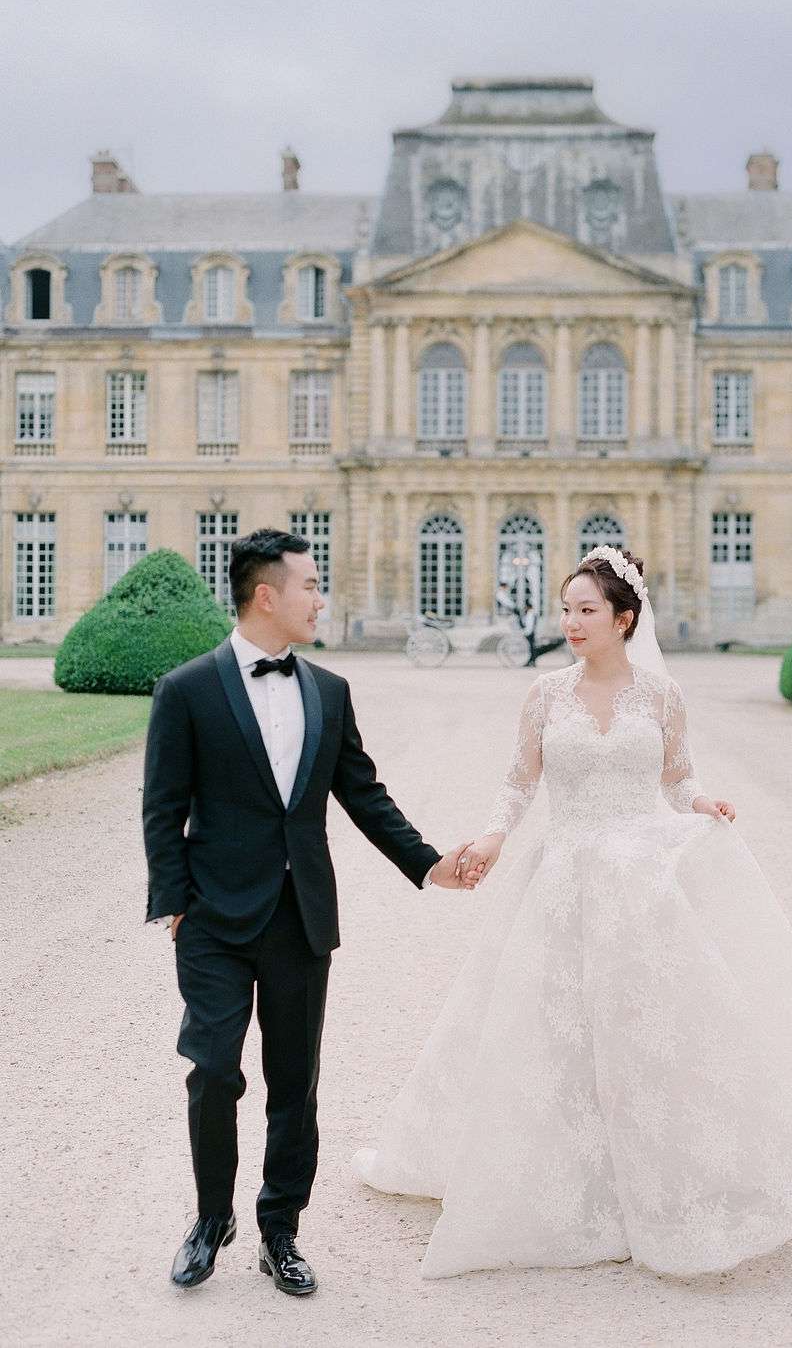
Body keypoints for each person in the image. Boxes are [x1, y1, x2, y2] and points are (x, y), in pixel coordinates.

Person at [352, 546, 792, 1279]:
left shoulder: (662, 697)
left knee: (651, 1031)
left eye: (586, 611)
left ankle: (668, 1179)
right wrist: (493, 835)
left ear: (624, 619)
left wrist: (702, 802)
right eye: (566, 609)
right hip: (565, 879)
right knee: (556, 1031)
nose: (571, 622)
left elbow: (677, 777)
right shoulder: (545, 694)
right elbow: (519, 783)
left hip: (640, 885)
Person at [143, 528, 479, 1296]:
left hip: (300, 917)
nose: (320, 597)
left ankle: (279, 1230)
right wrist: (173, 905)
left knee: (295, 1084)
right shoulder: (186, 689)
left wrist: (429, 865)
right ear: (268, 595)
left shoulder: (329, 690)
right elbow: (162, 807)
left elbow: (363, 794)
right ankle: (209, 1220)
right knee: (213, 1073)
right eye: (310, 584)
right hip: (212, 922)